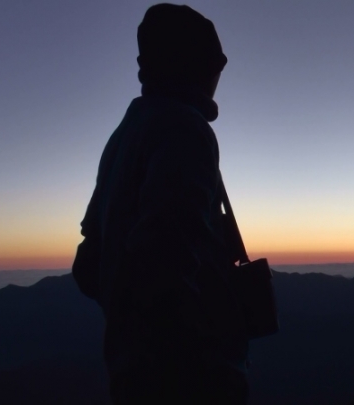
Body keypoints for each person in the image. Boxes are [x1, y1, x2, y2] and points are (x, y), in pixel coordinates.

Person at [72, 4, 249, 404]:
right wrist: (198, 335)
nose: (217, 74)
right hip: (185, 375)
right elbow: (166, 257)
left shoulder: (126, 133)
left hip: (131, 370)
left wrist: (124, 311)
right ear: (189, 61)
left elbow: (87, 265)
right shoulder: (185, 128)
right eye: (213, 61)